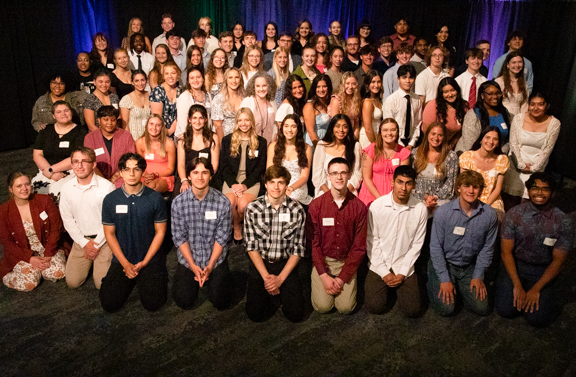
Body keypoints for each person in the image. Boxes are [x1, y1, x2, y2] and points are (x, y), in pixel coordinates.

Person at [496, 172, 573, 328]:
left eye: (545, 189)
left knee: (537, 319)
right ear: (529, 190)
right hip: (515, 266)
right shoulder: (515, 214)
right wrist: (517, 285)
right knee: (506, 310)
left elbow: (559, 261)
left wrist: (536, 289)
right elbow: (506, 253)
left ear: (553, 193)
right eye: (535, 188)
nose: (539, 192)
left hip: (542, 271)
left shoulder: (563, 221)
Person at [99, 153, 168, 312]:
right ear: (120, 172)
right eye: (127, 169)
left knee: (153, 304)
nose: (131, 174)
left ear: (143, 171)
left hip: (149, 259)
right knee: (109, 304)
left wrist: (145, 262)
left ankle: (144, 277)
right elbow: (109, 234)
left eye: (136, 169)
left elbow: (160, 232)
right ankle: (130, 278)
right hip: (123, 260)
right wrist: (125, 263)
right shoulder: (110, 200)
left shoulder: (154, 198)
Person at [427, 170, 498, 317]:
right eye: (466, 185)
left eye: (475, 187)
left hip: (469, 266)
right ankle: (435, 282)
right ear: (458, 187)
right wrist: (444, 279)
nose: (471, 191)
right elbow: (435, 247)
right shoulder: (443, 213)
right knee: (447, 309)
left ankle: (460, 288)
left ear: (481, 190)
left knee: (482, 308)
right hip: (445, 263)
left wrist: (478, 275)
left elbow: (487, 248)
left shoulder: (489, 214)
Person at [244, 165, 307, 322]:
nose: (276, 187)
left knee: (296, 314)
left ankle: (279, 291)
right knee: (255, 314)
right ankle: (271, 293)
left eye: (281, 182)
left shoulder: (297, 210)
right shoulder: (252, 208)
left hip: (285, 264)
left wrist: (279, 279)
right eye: (272, 182)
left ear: (287, 184)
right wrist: (267, 278)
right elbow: (251, 247)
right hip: (261, 264)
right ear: (265, 184)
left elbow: (298, 249)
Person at [171, 157, 232, 310]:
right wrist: (192, 265)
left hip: (214, 258)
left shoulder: (223, 202)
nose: (200, 177)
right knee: (184, 300)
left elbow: (222, 237)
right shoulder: (178, 203)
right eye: (195, 172)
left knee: (221, 301)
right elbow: (179, 237)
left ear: (210, 175)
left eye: (204, 172)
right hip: (189, 259)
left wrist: (210, 266)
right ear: (189, 176)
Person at [365, 166, 427, 316]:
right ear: (392, 182)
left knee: (413, 310)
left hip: (403, 264)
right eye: (400, 182)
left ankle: (396, 288)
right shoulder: (377, 206)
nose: (404, 188)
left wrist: (403, 272)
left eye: (408, 183)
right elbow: (372, 241)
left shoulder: (420, 209)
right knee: (375, 307)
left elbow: (416, 245)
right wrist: (384, 272)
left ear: (414, 185)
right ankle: (388, 288)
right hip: (380, 263)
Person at [308, 157, 368, 314]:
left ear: (349, 175)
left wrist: (342, 278)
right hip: (324, 261)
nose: (339, 177)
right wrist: (324, 276)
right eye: (334, 173)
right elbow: (313, 244)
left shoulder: (359, 208)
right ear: (328, 176)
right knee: (323, 307)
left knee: (346, 308)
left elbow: (359, 247)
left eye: (343, 173)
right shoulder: (316, 205)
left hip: (346, 262)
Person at [59, 146, 115, 289]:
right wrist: (84, 243)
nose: (79, 165)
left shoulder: (107, 188)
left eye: (85, 161)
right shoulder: (66, 188)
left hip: (104, 240)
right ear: (71, 165)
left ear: (93, 164)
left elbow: (111, 220)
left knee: (101, 284)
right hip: (81, 240)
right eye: (76, 161)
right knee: (72, 282)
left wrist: (96, 244)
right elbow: (67, 219)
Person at [0, 172, 67, 291]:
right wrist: (30, 258)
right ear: (11, 189)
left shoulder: (44, 200)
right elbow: (7, 243)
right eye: (19, 186)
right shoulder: (3, 211)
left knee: (58, 272)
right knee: (29, 284)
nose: (24, 189)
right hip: (23, 253)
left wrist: (48, 254)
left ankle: (40, 271)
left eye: (27, 184)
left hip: (47, 247)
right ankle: (8, 276)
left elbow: (56, 228)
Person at [218, 108, 268, 244]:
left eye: (247, 120)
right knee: (229, 204)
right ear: (236, 122)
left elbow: (260, 168)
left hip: (251, 181)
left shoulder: (261, 142)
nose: (243, 123)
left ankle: (236, 223)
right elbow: (224, 166)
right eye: (240, 120)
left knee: (242, 206)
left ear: (251, 122)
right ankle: (237, 227)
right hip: (232, 181)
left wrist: (245, 185)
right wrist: (234, 184)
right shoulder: (227, 140)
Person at [503, 93, 561, 207]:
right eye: (532, 104)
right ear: (528, 105)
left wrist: (534, 168)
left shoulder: (554, 123)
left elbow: (547, 150)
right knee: (510, 203)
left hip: (537, 168)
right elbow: (513, 144)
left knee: (528, 204)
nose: (536, 108)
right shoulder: (518, 118)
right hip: (515, 165)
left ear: (547, 106)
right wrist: (520, 164)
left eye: (540, 104)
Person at [32, 101, 87, 199]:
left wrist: (51, 170)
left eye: (66, 111)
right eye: (59, 112)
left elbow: (76, 157)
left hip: (69, 172)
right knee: (36, 194)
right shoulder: (46, 130)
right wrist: (50, 173)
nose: (63, 114)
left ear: (71, 112)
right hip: (46, 172)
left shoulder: (81, 132)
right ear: (53, 116)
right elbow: (37, 154)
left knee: (57, 194)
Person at [459, 127, 510, 220]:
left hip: (492, 200)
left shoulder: (501, 160)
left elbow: (498, 189)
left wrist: (485, 206)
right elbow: (463, 184)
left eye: (495, 139)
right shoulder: (467, 157)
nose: (491, 142)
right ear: (481, 139)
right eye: (487, 137)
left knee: (492, 216)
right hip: (470, 196)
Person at [358, 118, 410, 206]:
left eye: (393, 130)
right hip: (371, 195)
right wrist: (380, 199)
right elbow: (367, 178)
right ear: (380, 132)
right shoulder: (371, 150)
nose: (389, 133)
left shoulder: (403, 153)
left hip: (393, 197)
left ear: (397, 132)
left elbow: (403, 179)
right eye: (385, 130)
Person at [411, 122, 459, 212]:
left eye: (440, 135)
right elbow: (412, 180)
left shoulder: (451, 156)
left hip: (440, 202)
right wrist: (425, 197)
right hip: (418, 199)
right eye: (433, 134)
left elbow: (450, 183)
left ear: (444, 137)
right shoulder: (415, 153)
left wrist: (434, 198)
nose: (436, 138)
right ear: (427, 134)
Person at [84, 106, 136, 187]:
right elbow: (89, 161)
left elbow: (131, 158)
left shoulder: (126, 136)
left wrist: (120, 173)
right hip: (96, 176)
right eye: (106, 120)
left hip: (121, 176)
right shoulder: (90, 138)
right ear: (99, 121)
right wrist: (103, 180)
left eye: (113, 120)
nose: (109, 123)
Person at [267, 114, 313, 206]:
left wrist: (291, 188)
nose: (289, 130)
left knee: (290, 200)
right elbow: (269, 172)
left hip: (297, 187)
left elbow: (304, 177)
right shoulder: (273, 147)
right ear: (282, 128)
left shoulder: (306, 148)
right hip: (278, 185)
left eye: (293, 126)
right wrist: (279, 187)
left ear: (298, 129)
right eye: (286, 126)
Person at [312, 115, 362, 197]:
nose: (341, 130)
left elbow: (357, 174)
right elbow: (317, 176)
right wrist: (331, 195)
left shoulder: (355, 146)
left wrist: (344, 194)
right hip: (325, 192)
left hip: (348, 192)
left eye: (345, 127)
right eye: (337, 126)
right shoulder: (322, 145)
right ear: (332, 128)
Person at [456, 81, 511, 153]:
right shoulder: (473, 114)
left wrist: (498, 155)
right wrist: (485, 157)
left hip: (497, 156)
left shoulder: (504, 113)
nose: (495, 96)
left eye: (497, 93)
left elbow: (508, 140)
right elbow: (469, 142)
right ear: (482, 95)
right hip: (471, 156)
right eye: (490, 94)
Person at [177, 105, 220, 193]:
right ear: (189, 119)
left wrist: (204, 179)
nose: (197, 121)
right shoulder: (182, 139)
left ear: (205, 120)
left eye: (201, 118)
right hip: (187, 178)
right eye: (194, 118)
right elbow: (181, 164)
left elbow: (214, 164)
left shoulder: (213, 137)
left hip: (207, 178)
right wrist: (185, 180)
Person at [382, 64, 423, 149]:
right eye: (404, 77)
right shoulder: (391, 100)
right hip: (394, 141)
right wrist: (400, 145)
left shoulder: (417, 99)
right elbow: (389, 125)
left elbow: (417, 124)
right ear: (398, 79)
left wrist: (411, 144)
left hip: (411, 142)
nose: (408, 81)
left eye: (410, 78)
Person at [422, 77, 469, 149]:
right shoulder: (432, 105)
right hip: (431, 146)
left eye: (452, 90)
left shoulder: (463, 106)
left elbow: (461, 131)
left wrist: (449, 147)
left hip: (452, 147)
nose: (450, 94)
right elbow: (427, 131)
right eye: (446, 92)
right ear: (441, 94)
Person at [136, 115, 176, 193]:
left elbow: (170, 169)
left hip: (163, 177)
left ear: (162, 128)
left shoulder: (169, 144)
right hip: (145, 175)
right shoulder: (140, 142)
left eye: (158, 125)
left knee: (152, 186)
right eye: (151, 124)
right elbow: (139, 165)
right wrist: (146, 175)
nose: (154, 128)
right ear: (147, 125)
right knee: (140, 186)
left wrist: (156, 175)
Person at [239, 72, 277, 145]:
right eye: (258, 86)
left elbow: (275, 126)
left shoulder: (272, 103)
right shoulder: (248, 101)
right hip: (250, 145)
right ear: (253, 87)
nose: (261, 89)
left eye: (264, 86)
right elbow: (241, 124)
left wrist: (273, 142)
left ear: (269, 86)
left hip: (268, 146)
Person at [175, 67, 212, 139]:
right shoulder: (184, 97)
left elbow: (210, 118)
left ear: (203, 79)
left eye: (198, 77)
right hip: (188, 137)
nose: (195, 80)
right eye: (192, 78)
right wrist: (192, 138)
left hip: (206, 136)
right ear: (188, 81)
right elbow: (183, 123)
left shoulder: (208, 95)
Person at [212, 67, 246, 141]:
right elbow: (218, 125)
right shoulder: (219, 99)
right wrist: (223, 145)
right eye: (230, 77)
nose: (234, 81)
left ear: (240, 80)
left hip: (243, 137)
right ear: (226, 80)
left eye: (237, 77)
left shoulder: (245, 98)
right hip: (225, 139)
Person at [150, 61, 182, 137]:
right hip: (162, 133)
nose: (170, 76)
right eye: (167, 73)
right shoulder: (158, 91)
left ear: (178, 75)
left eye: (173, 73)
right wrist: (168, 132)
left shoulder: (181, 90)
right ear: (163, 76)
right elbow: (157, 118)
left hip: (179, 131)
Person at [495, 51, 529, 117]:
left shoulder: (524, 83)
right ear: (508, 65)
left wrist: (521, 120)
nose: (517, 65)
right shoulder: (499, 82)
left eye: (520, 62)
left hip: (518, 119)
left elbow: (524, 105)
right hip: (502, 117)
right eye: (514, 62)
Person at [119, 70, 151, 141]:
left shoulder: (152, 97)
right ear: (132, 83)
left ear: (146, 81)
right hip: (134, 139)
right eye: (136, 81)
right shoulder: (126, 99)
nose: (140, 83)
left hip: (150, 138)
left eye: (142, 80)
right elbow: (125, 125)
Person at [328, 72, 361, 137]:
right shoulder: (336, 101)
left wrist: (354, 138)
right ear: (343, 84)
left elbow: (356, 124)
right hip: (339, 134)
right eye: (347, 83)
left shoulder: (356, 100)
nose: (350, 87)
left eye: (353, 84)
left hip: (351, 135)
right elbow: (335, 124)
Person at [303, 74, 332, 147]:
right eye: (318, 87)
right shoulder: (310, 106)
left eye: (324, 86)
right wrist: (319, 148)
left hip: (327, 142)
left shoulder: (329, 103)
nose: (321, 90)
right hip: (314, 144)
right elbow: (311, 131)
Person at [359, 69, 383, 148]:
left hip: (377, 136)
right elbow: (368, 128)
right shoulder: (367, 102)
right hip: (368, 138)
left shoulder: (378, 100)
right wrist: (375, 144)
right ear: (367, 84)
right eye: (373, 82)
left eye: (378, 82)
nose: (376, 85)